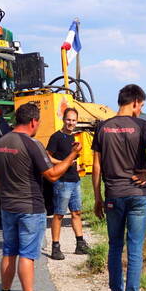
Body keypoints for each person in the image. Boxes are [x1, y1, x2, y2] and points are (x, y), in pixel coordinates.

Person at [0, 102, 81, 291]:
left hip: (8, 206)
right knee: (27, 254)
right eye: (39, 122)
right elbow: (51, 175)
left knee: (9, 251)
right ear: (33, 121)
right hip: (30, 207)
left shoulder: (0, 143)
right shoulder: (32, 145)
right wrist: (72, 156)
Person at [92, 84, 146, 291]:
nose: (141, 110)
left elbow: (97, 167)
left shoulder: (102, 127)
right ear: (134, 102)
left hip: (113, 195)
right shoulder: (141, 126)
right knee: (134, 250)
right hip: (138, 195)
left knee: (114, 248)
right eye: (141, 106)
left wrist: (98, 198)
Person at [46, 107, 90, 260]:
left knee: (76, 213)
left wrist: (76, 166)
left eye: (74, 120)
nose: (71, 123)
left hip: (75, 180)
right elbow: (48, 158)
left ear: (77, 121)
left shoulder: (73, 138)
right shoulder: (56, 137)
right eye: (68, 120)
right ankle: (55, 247)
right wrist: (63, 163)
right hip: (62, 182)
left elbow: (71, 159)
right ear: (63, 120)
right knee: (58, 214)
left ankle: (80, 244)